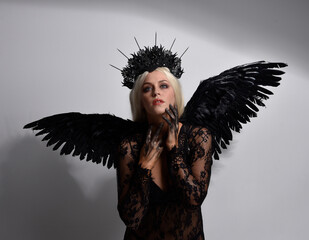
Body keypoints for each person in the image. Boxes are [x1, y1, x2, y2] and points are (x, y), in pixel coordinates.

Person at [116, 67, 213, 239]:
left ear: (175, 94)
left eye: (163, 86)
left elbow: (194, 201)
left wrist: (174, 151)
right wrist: (144, 166)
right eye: (147, 88)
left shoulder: (198, 137)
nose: (156, 93)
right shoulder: (130, 146)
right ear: (140, 101)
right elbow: (131, 219)